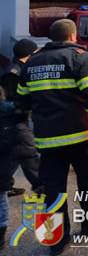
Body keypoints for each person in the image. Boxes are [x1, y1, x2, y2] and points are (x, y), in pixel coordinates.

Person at [17, 19, 88, 254]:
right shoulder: (79, 57)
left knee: (52, 190)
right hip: (81, 135)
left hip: (48, 141)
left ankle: (55, 241)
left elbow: (22, 102)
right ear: (72, 35)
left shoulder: (31, 62)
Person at [0, 39, 42, 197]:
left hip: (15, 120)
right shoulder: (14, 74)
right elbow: (12, 100)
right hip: (13, 121)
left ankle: (5, 184)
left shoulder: (19, 68)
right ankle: (42, 185)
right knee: (28, 152)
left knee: (13, 154)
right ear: (28, 55)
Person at [0, 85, 17, 250]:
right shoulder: (7, 110)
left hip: (2, 161)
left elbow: (9, 140)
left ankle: (1, 234)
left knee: (1, 196)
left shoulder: (7, 111)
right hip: (4, 161)